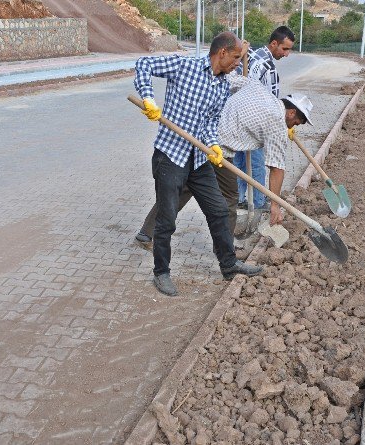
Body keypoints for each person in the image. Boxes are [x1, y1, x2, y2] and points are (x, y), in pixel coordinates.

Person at [133, 32, 263, 297]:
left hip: (199, 159)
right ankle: (162, 272)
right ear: (222, 53)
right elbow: (143, 64)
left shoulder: (223, 85)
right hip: (170, 155)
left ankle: (228, 264)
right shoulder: (185, 65)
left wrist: (213, 144)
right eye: (237, 57)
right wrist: (148, 98)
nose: (238, 63)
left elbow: (210, 122)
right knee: (167, 219)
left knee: (218, 210)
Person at [219, 73, 313, 226]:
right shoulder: (277, 126)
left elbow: (228, 78)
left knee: (188, 186)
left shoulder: (259, 88)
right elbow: (277, 169)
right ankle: (225, 246)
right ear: (291, 112)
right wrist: (275, 206)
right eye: (296, 122)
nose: (294, 126)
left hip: (204, 134)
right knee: (229, 200)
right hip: (218, 151)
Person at [234, 26, 296, 212]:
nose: (286, 55)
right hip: (254, 123)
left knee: (239, 162)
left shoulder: (252, 54)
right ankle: (259, 203)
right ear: (274, 43)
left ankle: (238, 197)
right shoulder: (267, 67)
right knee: (257, 163)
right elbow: (267, 101)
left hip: (238, 118)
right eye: (284, 49)